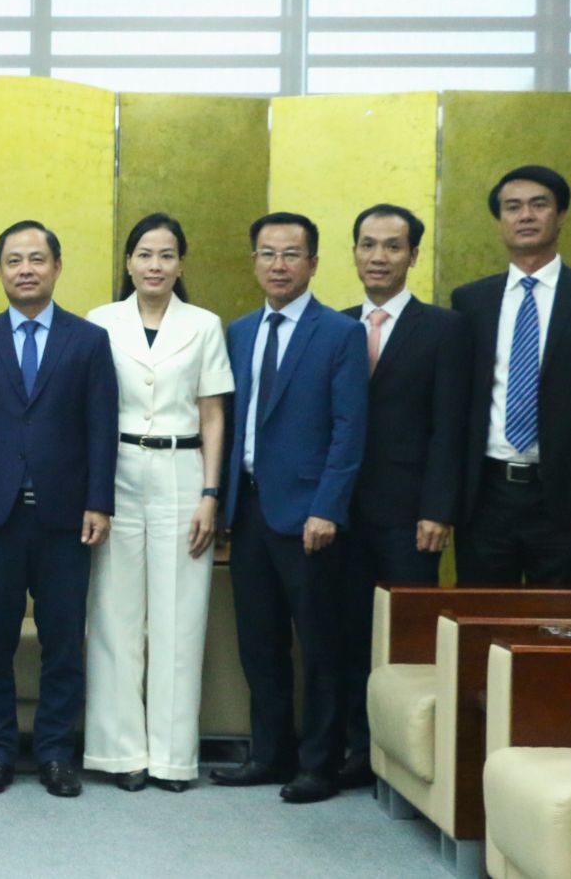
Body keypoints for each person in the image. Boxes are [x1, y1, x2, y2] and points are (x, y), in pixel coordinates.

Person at [0, 220, 117, 799]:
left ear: (57, 267)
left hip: (66, 518)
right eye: (13, 259)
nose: (25, 269)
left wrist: (99, 501)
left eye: (36, 259)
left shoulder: (88, 341)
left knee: (63, 641)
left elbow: (100, 428)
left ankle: (55, 754)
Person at [211, 212, 367, 805]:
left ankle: (318, 764)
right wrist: (222, 504)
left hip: (309, 517)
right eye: (268, 254)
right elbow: (228, 422)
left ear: (314, 263)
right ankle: (268, 753)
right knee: (259, 640)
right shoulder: (241, 331)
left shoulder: (338, 333)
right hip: (249, 511)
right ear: (254, 262)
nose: (278, 265)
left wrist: (329, 507)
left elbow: (350, 430)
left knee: (320, 646)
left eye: (291, 254)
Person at [82, 213, 231, 793]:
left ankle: (172, 757)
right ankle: (122, 755)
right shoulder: (100, 323)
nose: (155, 266)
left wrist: (210, 494)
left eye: (167, 255)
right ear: (128, 262)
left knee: (180, 618)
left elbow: (214, 414)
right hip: (115, 472)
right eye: (145, 254)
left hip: (181, 471)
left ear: (180, 264)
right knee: (115, 617)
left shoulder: (204, 325)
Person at [451, 165, 571, 586]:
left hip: (565, 499)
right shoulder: (470, 301)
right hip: (486, 495)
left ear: (562, 215)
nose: (526, 215)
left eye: (539, 205)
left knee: (558, 628)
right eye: (512, 207)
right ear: (500, 220)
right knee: (483, 624)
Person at [335, 203, 469, 789]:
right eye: (368, 244)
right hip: (338, 511)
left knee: (403, 637)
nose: (378, 257)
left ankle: (399, 757)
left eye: (392, 246)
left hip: (409, 513)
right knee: (343, 631)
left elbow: (451, 426)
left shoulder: (444, 329)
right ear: (354, 252)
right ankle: (352, 746)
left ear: (413, 255)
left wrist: (438, 508)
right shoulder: (336, 325)